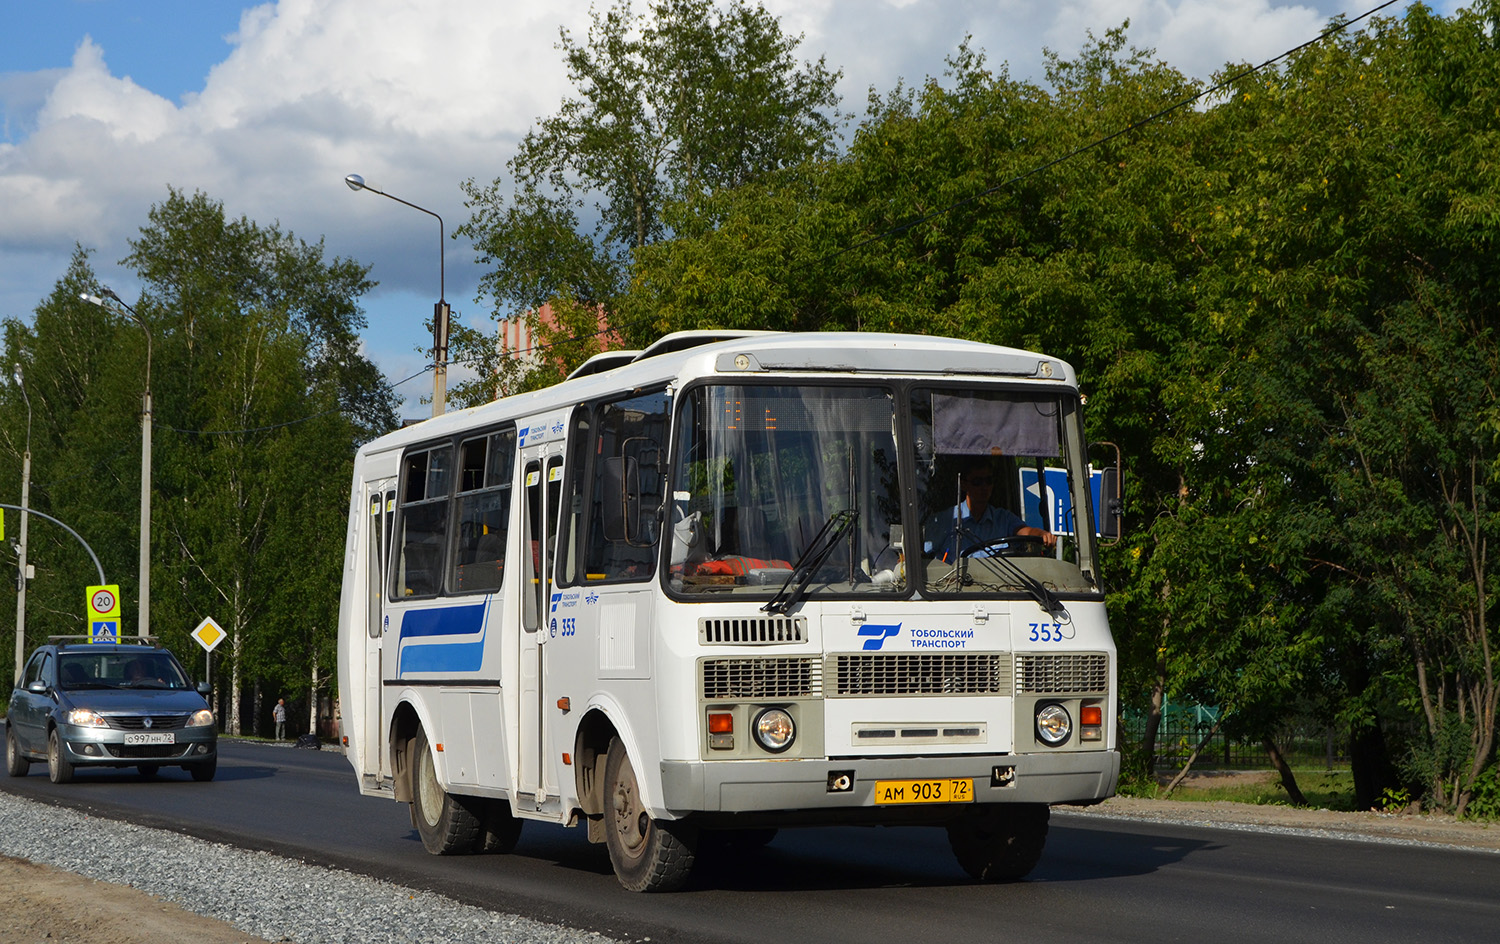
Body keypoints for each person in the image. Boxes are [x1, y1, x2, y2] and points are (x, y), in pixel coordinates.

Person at [924, 457, 1055, 560]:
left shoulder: (1003, 519)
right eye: (977, 482)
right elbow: (924, 558)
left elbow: (1025, 532)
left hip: (996, 590)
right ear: (963, 485)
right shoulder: (944, 520)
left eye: (989, 481)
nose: (984, 487)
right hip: (955, 592)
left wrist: (1042, 534)